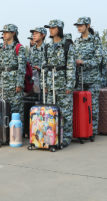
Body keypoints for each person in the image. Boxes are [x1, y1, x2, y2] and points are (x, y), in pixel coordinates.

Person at [42, 19, 75, 147]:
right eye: (49, 27)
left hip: (63, 84)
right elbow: (44, 66)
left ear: (60, 29)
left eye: (53, 27)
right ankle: (51, 137)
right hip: (50, 85)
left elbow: (71, 67)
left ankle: (65, 137)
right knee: (50, 113)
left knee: (65, 112)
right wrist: (44, 84)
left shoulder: (67, 46)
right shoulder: (47, 46)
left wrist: (69, 85)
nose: (50, 29)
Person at [73, 17, 103, 135]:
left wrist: (84, 62)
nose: (78, 27)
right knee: (80, 105)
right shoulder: (76, 42)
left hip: (93, 78)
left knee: (93, 105)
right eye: (77, 25)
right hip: (79, 78)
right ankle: (81, 129)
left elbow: (98, 59)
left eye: (81, 25)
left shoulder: (95, 40)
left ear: (88, 26)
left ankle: (93, 130)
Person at [0, 24, 26, 122]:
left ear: (13, 33)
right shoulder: (3, 49)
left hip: (14, 84)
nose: (4, 34)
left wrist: (19, 83)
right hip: (4, 83)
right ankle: (6, 134)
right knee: (4, 109)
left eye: (6, 32)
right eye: (3, 32)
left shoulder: (19, 47)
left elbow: (22, 67)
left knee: (16, 110)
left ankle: (17, 134)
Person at [29, 27, 48, 95]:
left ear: (43, 35)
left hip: (44, 79)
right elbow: (29, 62)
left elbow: (49, 64)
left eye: (36, 33)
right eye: (33, 34)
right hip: (34, 78)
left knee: (44, 100)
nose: (34, 35)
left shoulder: (47, 48)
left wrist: (40, 68)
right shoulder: (31, 49)